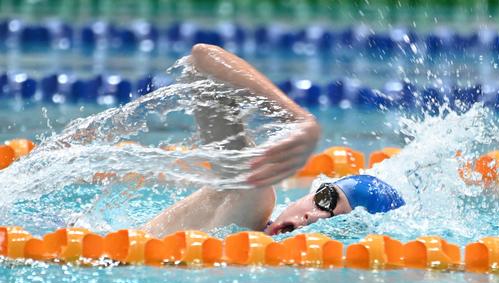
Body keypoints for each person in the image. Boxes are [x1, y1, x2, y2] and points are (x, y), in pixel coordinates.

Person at [142, 44, 404, 237]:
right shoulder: (251, 199)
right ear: (313, 191)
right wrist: (298, 120)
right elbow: (202, 60)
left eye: (337, 223)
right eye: (325, 199)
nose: (312, 218)